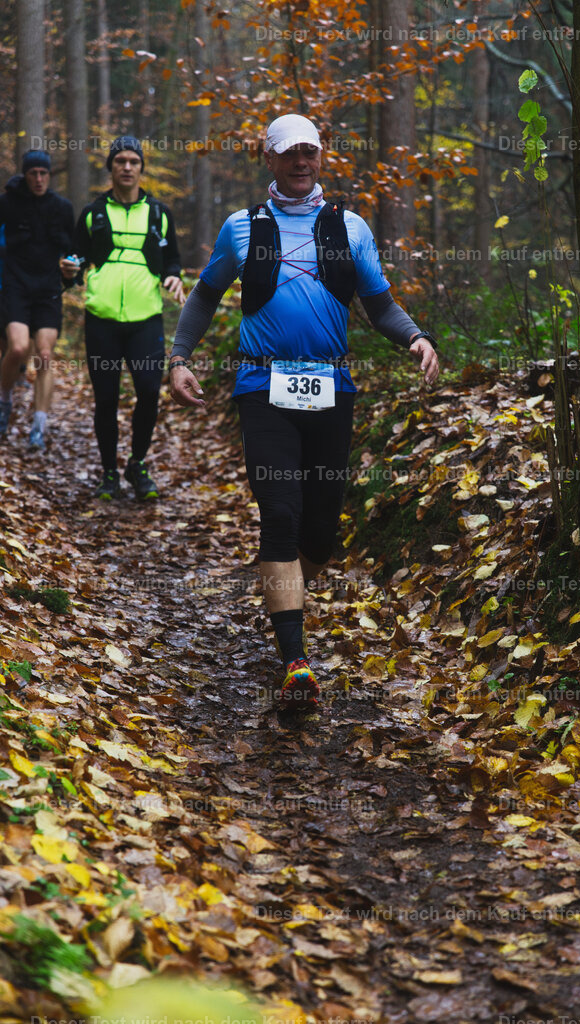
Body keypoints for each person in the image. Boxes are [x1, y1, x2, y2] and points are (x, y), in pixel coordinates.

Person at [169, 114, 439, 709]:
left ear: (321, 157)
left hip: (331, 388)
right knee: (282, 513)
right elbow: (206, 293)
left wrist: (417, 338)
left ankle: (278, 588)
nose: (301, 162)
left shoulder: (350, 227)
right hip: (262, 387)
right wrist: (180, 356)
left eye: (310, 152)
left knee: (320, 531)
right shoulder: (243, 228)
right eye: (289, 153)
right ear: (269, 159)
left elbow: (381, 305)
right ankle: (295, 660)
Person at [61, 135, 185, 500]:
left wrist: (174, 274)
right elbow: (76, 259)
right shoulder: (93, 213)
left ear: (141, 168)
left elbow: (173, 258)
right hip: (101, 319)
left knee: (149, 392)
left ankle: (137, 463)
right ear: (111, 168)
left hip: (145, 318)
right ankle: (108, 473)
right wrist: (68, 271)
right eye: (120, 161)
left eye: (133, 161)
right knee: (106, 398)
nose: (127, 167)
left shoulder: (159, 214)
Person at [0, 150, 74, 447]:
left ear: (50, 176)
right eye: (34, 173)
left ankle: (39, 425)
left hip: (48, 288)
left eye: (44, 173)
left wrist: (72, 270)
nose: (40, 179)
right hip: (15, 285)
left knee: (44, 355)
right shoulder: (7, 203)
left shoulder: (62, 207)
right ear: (25, 175)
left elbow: (72, 251)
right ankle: (5, 401)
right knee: (18, 349)